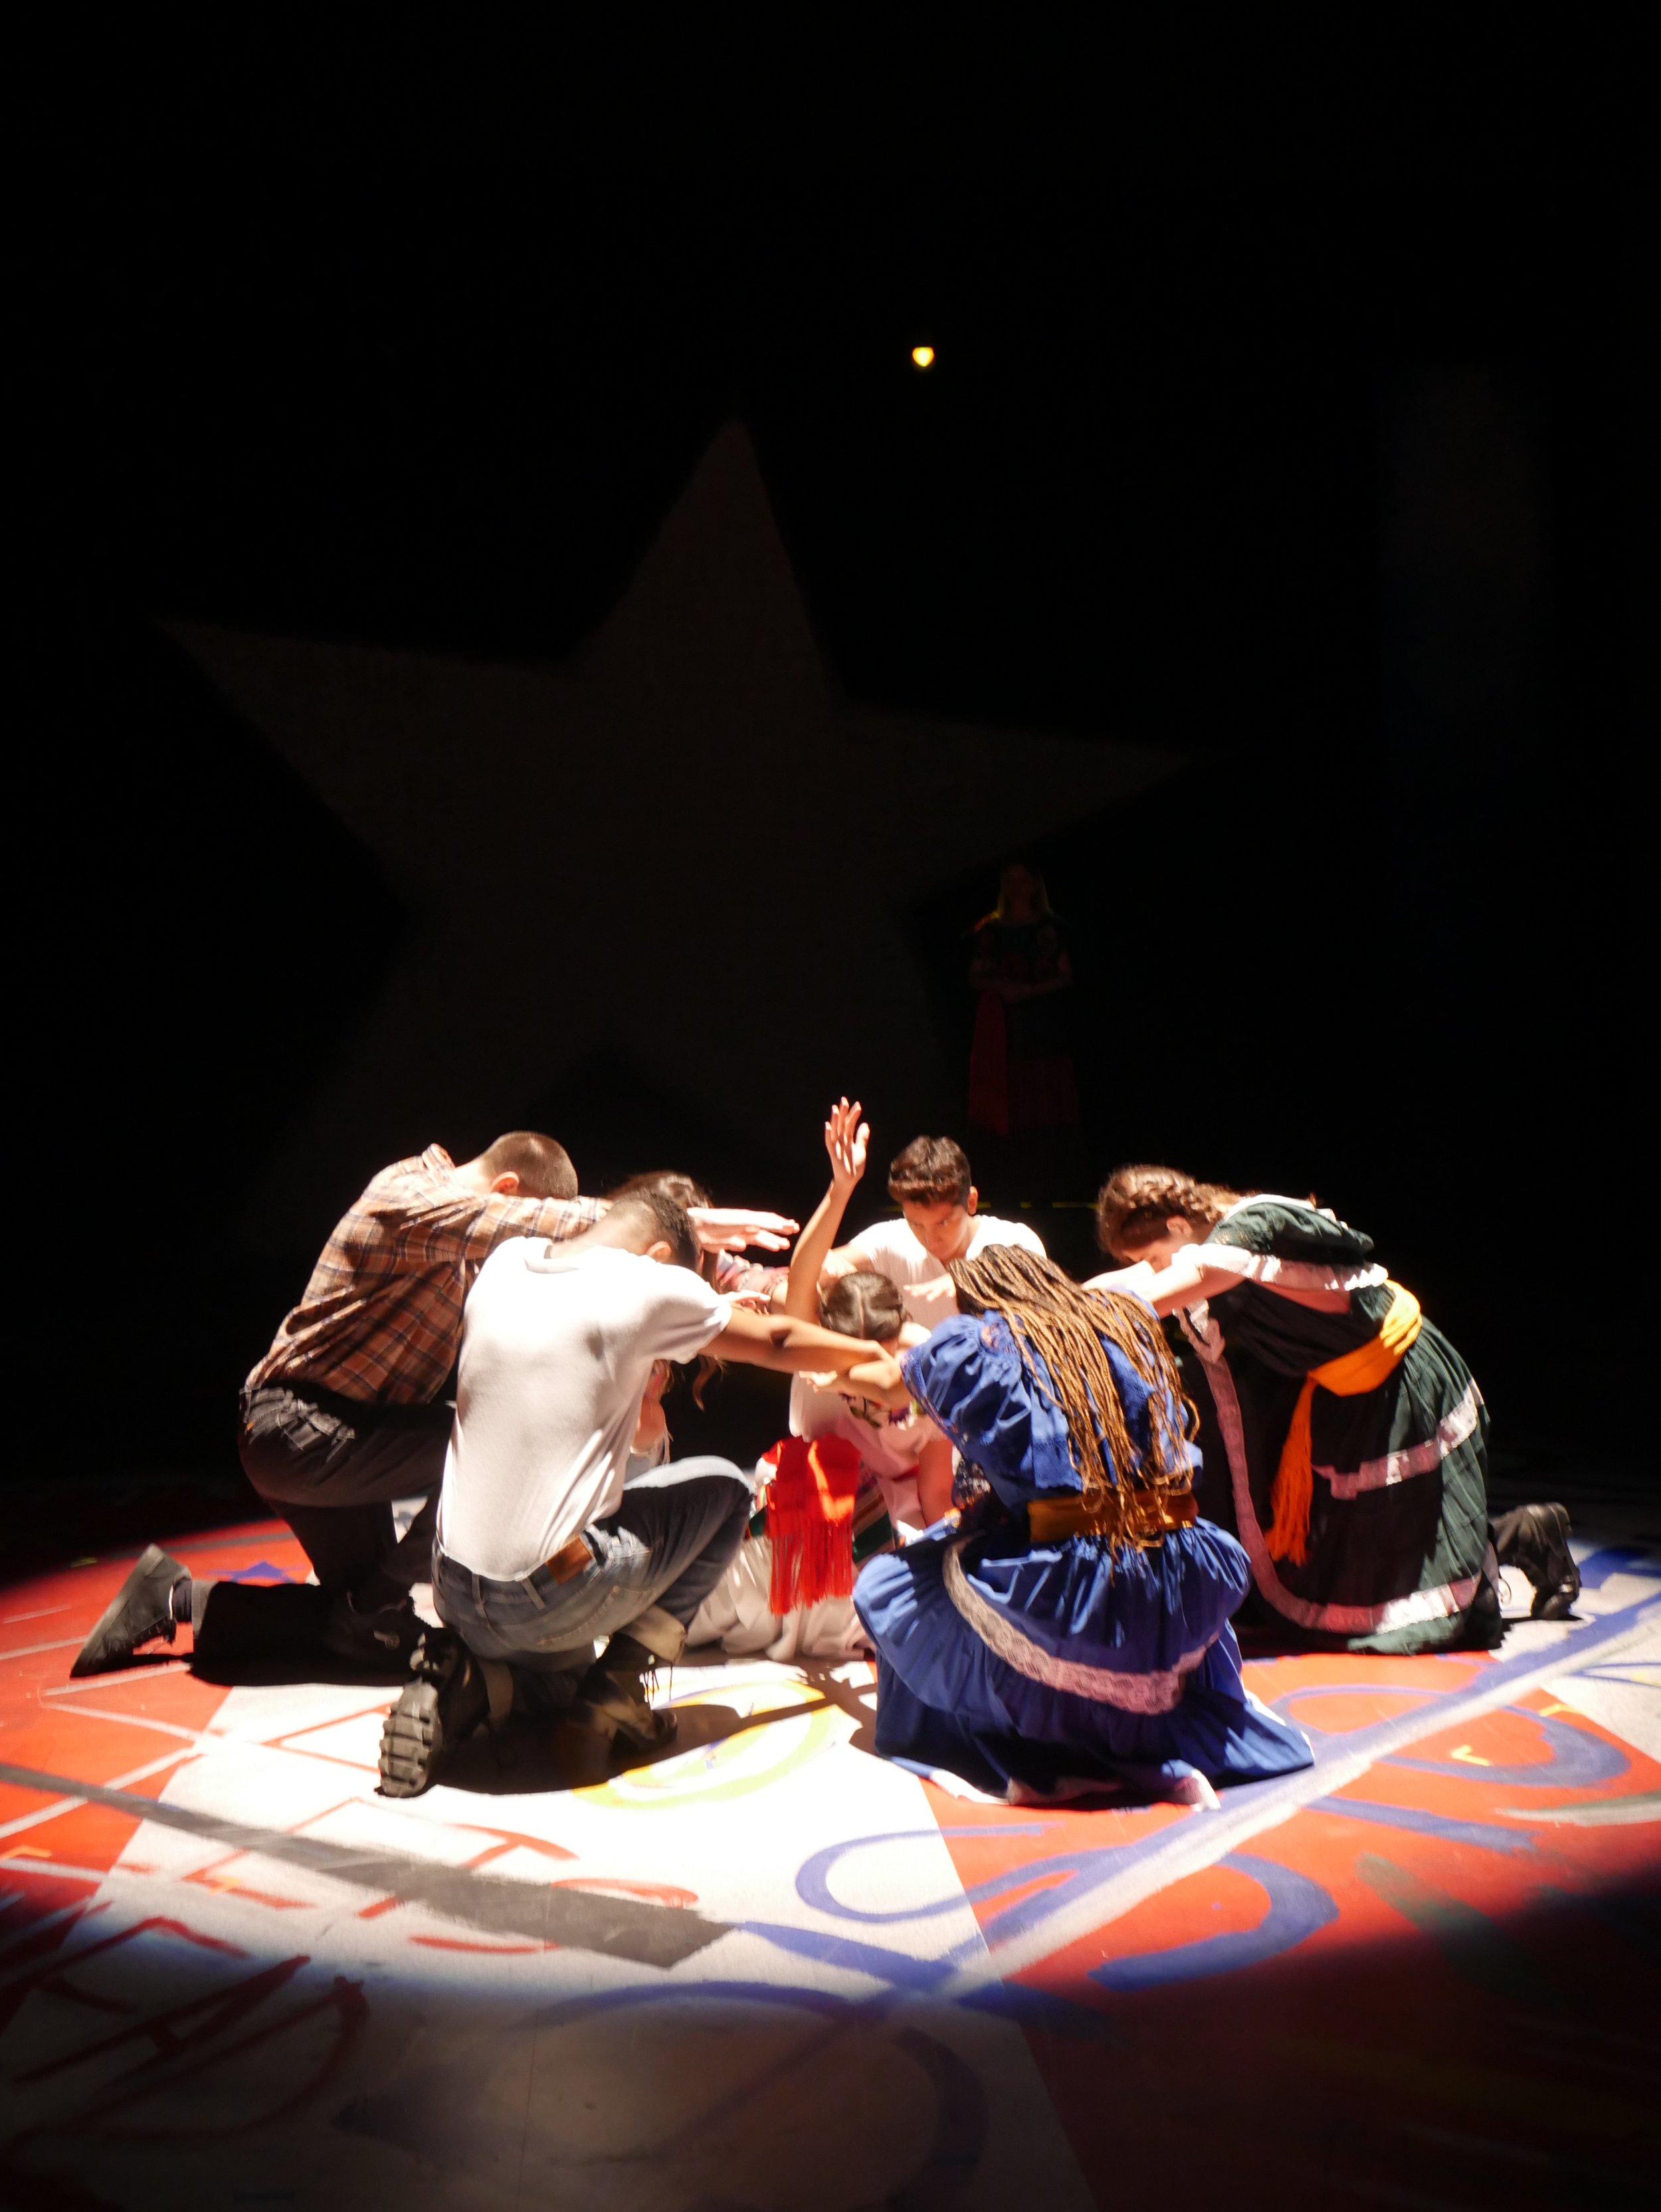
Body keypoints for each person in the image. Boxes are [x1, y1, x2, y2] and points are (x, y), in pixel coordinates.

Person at [73, 1140, 797, 1680]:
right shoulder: (406, 1194)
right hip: (293, 1426)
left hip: (349, 1441)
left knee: (370, 1629)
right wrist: (629, 1218)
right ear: (507, 1191)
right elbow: (536, 1230)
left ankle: (176, 1597)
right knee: (472, 1444)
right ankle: (372, 1614)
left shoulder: (485, 1261)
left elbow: (592, 1275)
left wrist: (742, 1284)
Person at [378, 1187, 904, 1796]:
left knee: (563, 1677)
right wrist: (875, 1356)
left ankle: (468, 1681)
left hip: (450, 1587)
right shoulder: (643, 1284)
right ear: (657, 1258)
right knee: (726, 1491)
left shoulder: (504, 1262)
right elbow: (777, 1340)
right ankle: (621, 1689)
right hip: (546, 1592)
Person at [852, 1243, 1313, 1804]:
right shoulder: (1120, 1321)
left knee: (897, 1582)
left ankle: (1033, 1741)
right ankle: (1142, 1720)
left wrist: (836, 1356)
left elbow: (889, 1384)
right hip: (1176, 1568)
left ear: (982, 1307)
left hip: (1077, 1586)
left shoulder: (983, 1349)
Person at [1090, 1167, 1579, 1653]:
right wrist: (1057, 1295)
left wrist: (1070, 1317)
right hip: (1340, 1391)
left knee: (1399, 1575)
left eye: (1153, 1256)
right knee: (1344, 1558)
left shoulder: (1255, 1228)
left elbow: (1156, 1291)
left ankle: (1521, 1539)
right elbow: (1137, 1279)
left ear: (1178, 1225)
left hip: (1399, 1375)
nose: (1153, 1268)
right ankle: (1526, 1533)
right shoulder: (1210, 1238)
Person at [688, 1100, 955, 1661]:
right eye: (853, 1351)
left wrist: (951, 1563)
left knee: (905, 1607)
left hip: (888, 1523)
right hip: (800, 1499)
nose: (863, 1366)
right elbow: (804, 1277)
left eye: (879, 1351)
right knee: (717, 1594)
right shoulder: (815, 1348)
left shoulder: (928, 1367)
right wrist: (840, 1190)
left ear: (900, 1330)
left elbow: (935, 1494)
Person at [823, 1131, 1046, 1330]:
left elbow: (1037, 1302)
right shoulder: (891, 1239)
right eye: (916, 1224)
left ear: (971, 1202)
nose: (930, 1240)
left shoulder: (1014, 1238)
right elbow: (814, 1270)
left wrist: (969, 1279)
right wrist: (841, 1187)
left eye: (944, 1223)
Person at [967, 861, 1081, 1199]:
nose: (1016, 887)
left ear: (1034, 884)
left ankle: (1052, 1181)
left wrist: (1030, 990)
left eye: (1022, 880)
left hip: (1042, 1022)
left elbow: (1066, 974)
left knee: (1045, 1092)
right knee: (1009, 1096)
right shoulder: (990, 931)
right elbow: (974, 976)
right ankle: (1011, 1181)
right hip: (1002, 1025)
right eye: (1009, 880)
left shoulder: (1051, 928)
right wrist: (1002, 987)